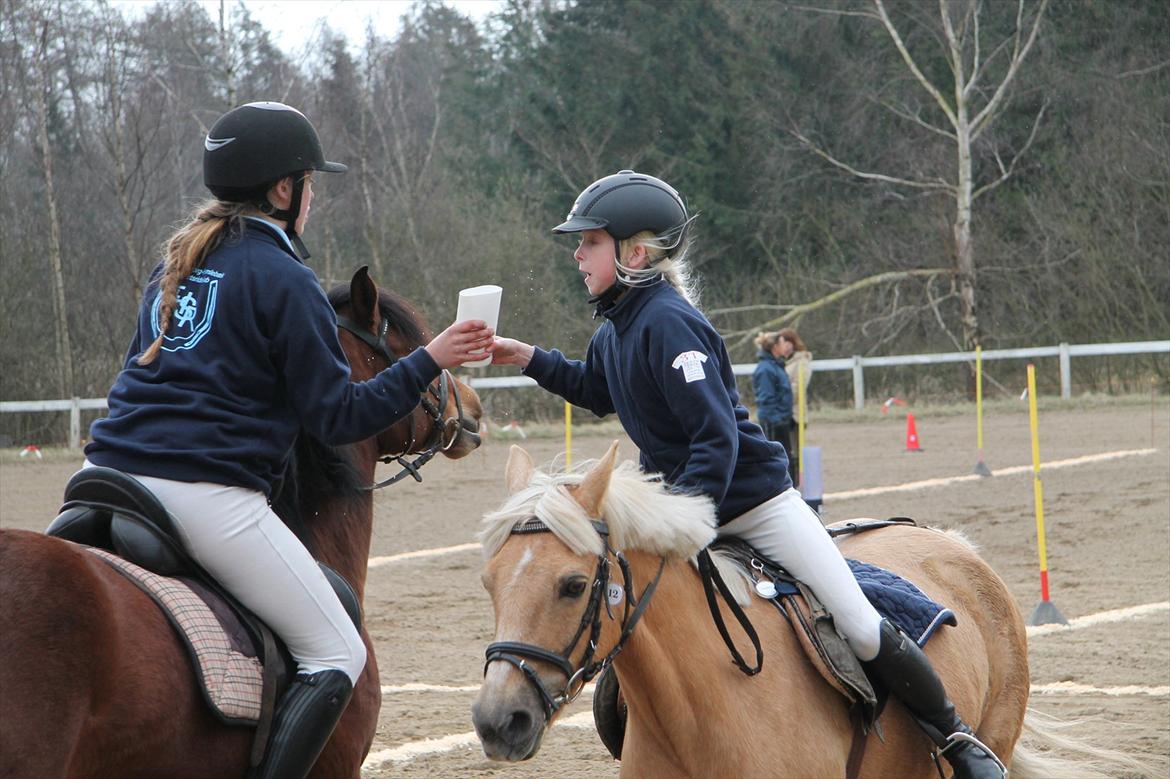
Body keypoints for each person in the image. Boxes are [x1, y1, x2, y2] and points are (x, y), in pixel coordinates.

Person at [490, 170, 1004, 779]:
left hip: (753, 506)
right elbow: (595, 389)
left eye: (590, 241)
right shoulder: (618, 328)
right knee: (627, 655)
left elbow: (717, 437)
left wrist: (689, 520)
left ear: (634, 252)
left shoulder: (668, 322)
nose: (576, 253)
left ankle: (957, 741)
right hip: (683, 515)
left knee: (861, 625)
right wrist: (524, 357)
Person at [81, 101, 494, 779]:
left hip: (102, 476)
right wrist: (432, 357)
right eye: (310, 182)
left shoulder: (172, 269)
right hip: (204, 496)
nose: (313, 196)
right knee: (338, 650)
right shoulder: (285, 277)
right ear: (284, 190)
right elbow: (336, 416)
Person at [752, 330, 796, 486]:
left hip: (782, 421)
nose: (786, 346)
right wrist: (777, 420)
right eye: (783, 343)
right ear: (775, 347)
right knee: (777, 460)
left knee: (787, 458)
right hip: (773, 423)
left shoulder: (776, 366)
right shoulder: (766, 369)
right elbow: (767, 400)